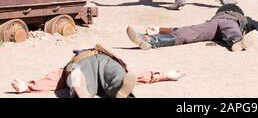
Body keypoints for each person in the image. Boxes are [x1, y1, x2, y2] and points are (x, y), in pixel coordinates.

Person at [10, 44, 185, 97]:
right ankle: (118, 89)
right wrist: (163, 75)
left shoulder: (73, 60)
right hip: (104, 62)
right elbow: (137, 74)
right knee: (117, 76)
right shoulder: (82, 58)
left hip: (90, 63)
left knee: (117, 76)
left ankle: (85, 92)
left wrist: (28, 86)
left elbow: (53, 79)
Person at [126, 4, 258, 51]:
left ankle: (151, 42)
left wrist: (159, 29)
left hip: (212, 25)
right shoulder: (241, 19)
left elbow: (183, 27)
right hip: (228, 27)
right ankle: (236, 43)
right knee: (232, 32)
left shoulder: (218, 18)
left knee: (188, 33)